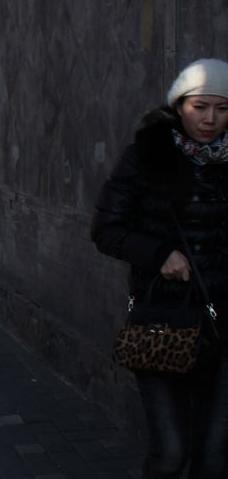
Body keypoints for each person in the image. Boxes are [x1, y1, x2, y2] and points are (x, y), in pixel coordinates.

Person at [91, 58, 228, 478]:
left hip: (224, 326)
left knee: (215, 458)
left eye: (222, 109)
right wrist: (159, 255)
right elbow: (106, 229)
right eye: (199, 107)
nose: (209, 119)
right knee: (170, 453)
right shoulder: (148, 155)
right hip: (165, 323)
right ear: (179, 105)